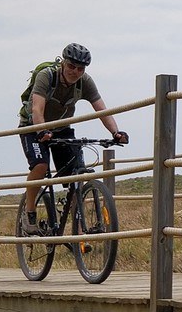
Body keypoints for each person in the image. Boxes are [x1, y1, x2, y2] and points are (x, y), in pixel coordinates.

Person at [18, 43, 129, 234]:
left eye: (80, 68)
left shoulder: (84, 81)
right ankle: (29, 214)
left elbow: (102, 109)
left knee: (77, 177)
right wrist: (41, 130)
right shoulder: (47, 76)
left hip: (61, 129)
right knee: (41, 166)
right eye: (71, 66)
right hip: (33, 127)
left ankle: (77, 233)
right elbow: (37, 108)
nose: (75, 71)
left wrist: (116, 133)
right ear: (63, 63)